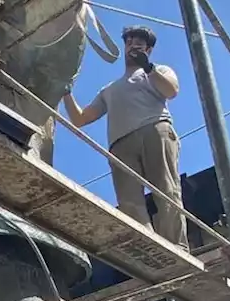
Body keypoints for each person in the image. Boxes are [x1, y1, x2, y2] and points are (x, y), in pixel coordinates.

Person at [61, 25, 186, 247]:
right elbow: (80, 119)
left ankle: (177, 245)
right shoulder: (109, 89)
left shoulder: (157, 72)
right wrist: (66, 91)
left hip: (154, 131)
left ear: (148, 50)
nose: (132, 48)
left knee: (166, 191)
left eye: (139, 45)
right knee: (129, 204)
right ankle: (152, 250)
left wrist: (149, 67)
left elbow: (171, 91)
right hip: (120, 146)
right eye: (129, 43)